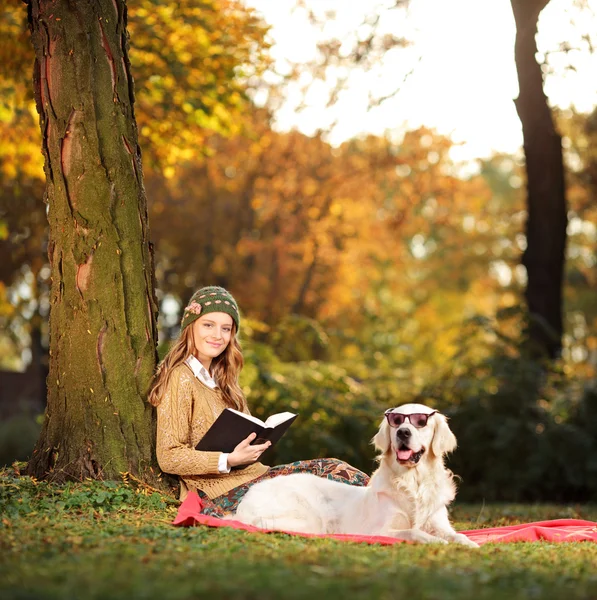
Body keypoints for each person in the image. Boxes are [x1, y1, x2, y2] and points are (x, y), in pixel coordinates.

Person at [149, 285, 369, 517]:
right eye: (208, 325)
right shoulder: (180, 377)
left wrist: (259, 442)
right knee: (323, 490)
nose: (217, 335)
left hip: (256, 477)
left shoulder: (225, 381)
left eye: (226, 328)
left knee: (335, 470)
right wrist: (229, 459)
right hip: (223, 493)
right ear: (190, 326)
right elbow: (169, 456)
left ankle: (391, 509)